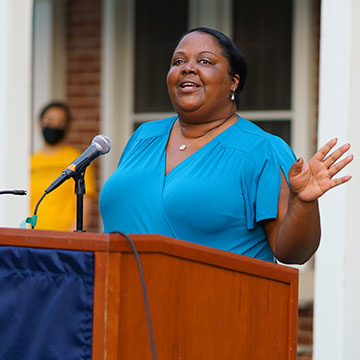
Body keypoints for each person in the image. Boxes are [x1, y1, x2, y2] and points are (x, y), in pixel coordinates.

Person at [99, 27, 353, 264]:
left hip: (216, 305)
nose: (188, 68)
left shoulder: (262, 150)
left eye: (205, 61)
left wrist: (303, 203)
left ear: (233, 82)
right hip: (121, 301)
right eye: (178, 61)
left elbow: (292, 253)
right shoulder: (144, 137)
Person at [30, 101, 96, 231]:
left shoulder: (79, 160)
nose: (54, 126)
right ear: (40, 123)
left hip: (63, 236)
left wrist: (71, 237)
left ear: (67, 127)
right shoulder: (30, 162)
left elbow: (85, 203)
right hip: (32, 233)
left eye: (60, 123)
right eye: (49, 121)